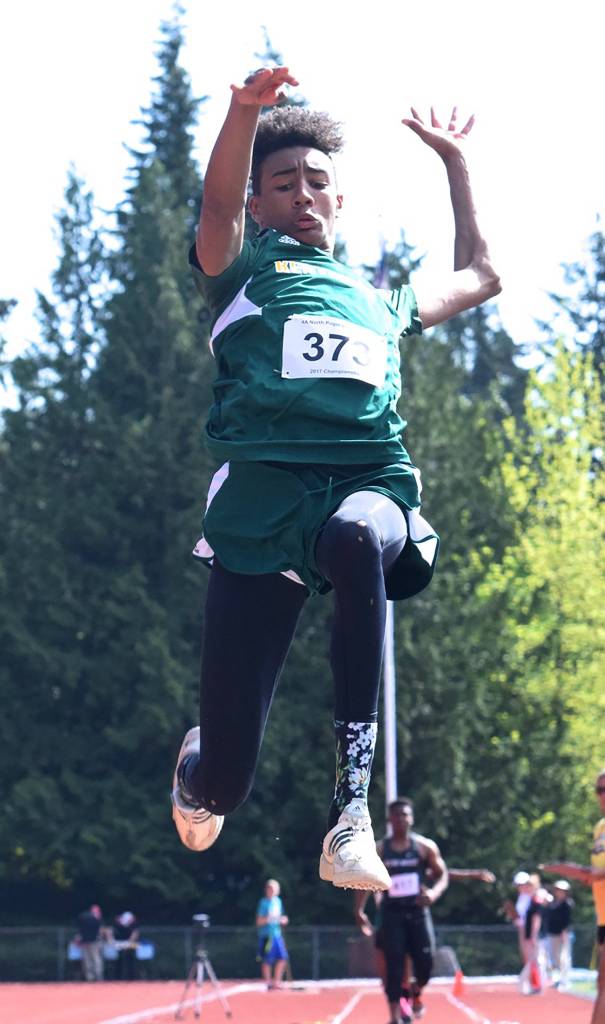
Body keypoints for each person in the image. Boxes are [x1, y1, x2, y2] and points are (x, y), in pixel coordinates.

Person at [170, 65, 502, 892]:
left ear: (340, 200)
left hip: (366, 479)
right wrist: (244, 112)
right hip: (263, 503)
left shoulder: (378, 299)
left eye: (318, 183)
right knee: (226, 785)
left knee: (359, 535)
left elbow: (482, 275)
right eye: (282, 184)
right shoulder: (242, 267)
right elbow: (212, 213)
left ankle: (347, 813)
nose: (304, 195)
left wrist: (455, 166)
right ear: (259, 205)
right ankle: (198, 768)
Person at [354, 797, 448, 1023]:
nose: (401, 819)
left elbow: (442, 874)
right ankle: (395, 1017)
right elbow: (366, 880)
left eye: (405, 815)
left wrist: (433, 894)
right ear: (390, 820)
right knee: (393, 966)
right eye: (397, 816)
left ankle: (416, 990)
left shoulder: (425, 848)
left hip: (417, 912)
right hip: (391, 914)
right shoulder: (379, 849)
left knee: (426, 962)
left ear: (412, 818)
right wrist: (359, 910)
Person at [542, 768, 605, 1024]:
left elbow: (598, 874)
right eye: (599, 790)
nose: (602, 795)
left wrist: (565, 868)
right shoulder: (600, 827)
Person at [255, 878, 289, 989]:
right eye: (269, 888)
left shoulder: (278, 902)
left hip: (277, 934)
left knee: (282, 958)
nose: (271, 891)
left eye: (273, 889)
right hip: (266, 935)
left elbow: (280, 917)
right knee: (267, 960)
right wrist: (268, 919)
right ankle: (268, 983)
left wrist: (282, 920)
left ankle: (277, 982)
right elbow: (259, 921)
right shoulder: (263, 903)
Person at [544, 880, 573, 990]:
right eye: (558, 890)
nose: (560, 892)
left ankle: (565, 980)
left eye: (562, 891)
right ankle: (558, 979)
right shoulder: (553, 904)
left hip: (562, 934)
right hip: (552, 934)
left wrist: (564, 934)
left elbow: (566, 921)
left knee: (564, 958)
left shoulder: (567, 904)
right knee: (554, 957)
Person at [75, 904, 108, 982]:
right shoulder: (98, 919)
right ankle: (98, 977)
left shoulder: (84, 917)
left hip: (87, 941)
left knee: (88, 960)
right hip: (93, 941)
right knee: (95, 959)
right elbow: (102, 930)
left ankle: (90, 977)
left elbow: (81, 929)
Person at [112, 910, 140, 981]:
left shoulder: (133, 925)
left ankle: (132, 977)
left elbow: (135, 935)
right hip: (121, 944)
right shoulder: (119, 925)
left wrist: (128, 943)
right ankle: (119, 977)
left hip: (131, 945)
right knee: (119, 960)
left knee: (131, 960)